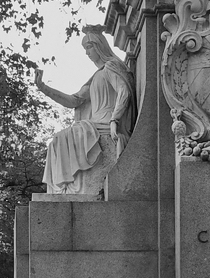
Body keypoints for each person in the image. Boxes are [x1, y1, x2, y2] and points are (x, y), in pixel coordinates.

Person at [35, 26, 135, 195]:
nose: (87, 53)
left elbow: (124, 91)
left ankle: (68, 187)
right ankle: (63, 188)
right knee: (57, 141)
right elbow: (73, 100)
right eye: (85, 49)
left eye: (89, 47)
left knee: (67, 136)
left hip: (106, 122)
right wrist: (43, 88)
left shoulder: (111, 67)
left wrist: (114, 120)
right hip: (95, 123)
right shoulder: (97, 75)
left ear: (99, 46)